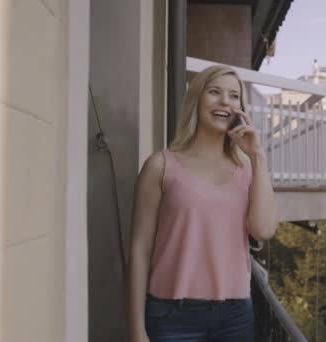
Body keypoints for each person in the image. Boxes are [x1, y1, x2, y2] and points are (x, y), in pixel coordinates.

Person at [127, 64, 278, 342]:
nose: (225, 101)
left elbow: (263, 230)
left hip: (235, 317)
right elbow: (140, 249)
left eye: (234, 96)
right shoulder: (160, 166)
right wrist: (137, 330)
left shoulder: (247, 169)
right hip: (172, 317)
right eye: (215, 92)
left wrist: (258, 156)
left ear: (241, 109)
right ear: (197, 99)